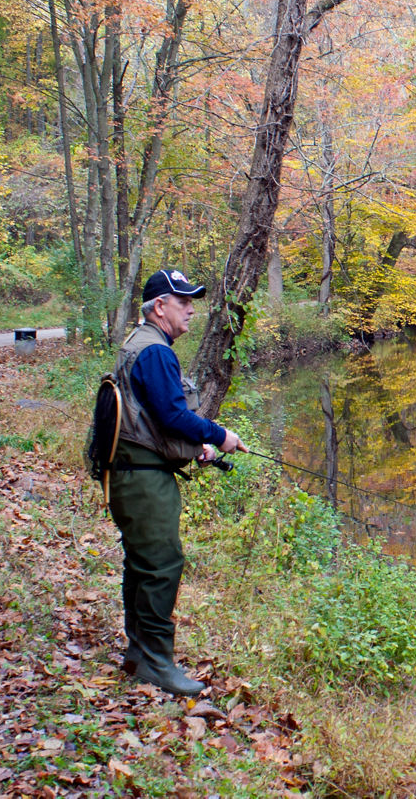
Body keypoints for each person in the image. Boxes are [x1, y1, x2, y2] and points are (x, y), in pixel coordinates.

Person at [109, 268, 248, 696]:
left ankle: (138, 653)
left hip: (135, 472)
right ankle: (156, 664)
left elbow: (148, 419)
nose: (191, 308)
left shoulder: (140, 345)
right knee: (161, 565)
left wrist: (194, 450)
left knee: (142, 562)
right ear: (159, 307)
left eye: (192, 300)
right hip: (144, 480)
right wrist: (219, 436)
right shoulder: (155, 352)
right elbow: (172, 415)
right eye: (182, 300)